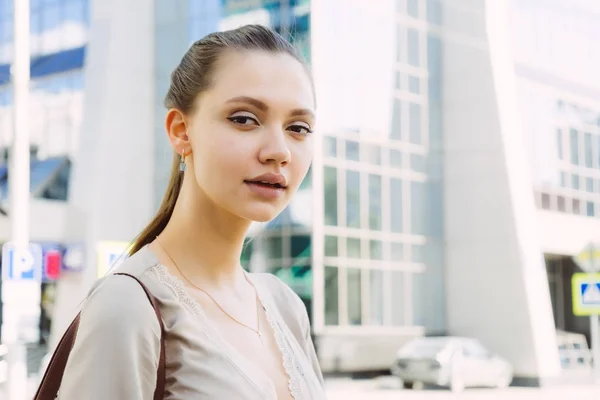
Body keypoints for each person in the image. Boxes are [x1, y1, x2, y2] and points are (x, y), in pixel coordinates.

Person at [58, 24, 325, 399]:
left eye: (298, 127)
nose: (278, 150)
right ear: (181, 131)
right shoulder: (129, 306)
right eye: (244, 119)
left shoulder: (285, 306)